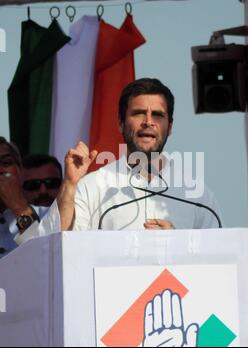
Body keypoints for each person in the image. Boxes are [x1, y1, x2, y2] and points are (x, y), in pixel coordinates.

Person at [20, 78, 221, 242]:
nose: (148, 122)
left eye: (158, 115)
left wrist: (180, 243)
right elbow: (52, 246)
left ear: (170, 127)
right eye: (138, 113)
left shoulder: (199, 196)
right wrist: (70, 184)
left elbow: (220, 260)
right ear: (120, 123)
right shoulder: (92, 186)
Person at [0, 137, 48, 258]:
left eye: (6, 163)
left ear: (20, 171)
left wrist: (18, 207)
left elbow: (42, 254)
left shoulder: (48, 214)